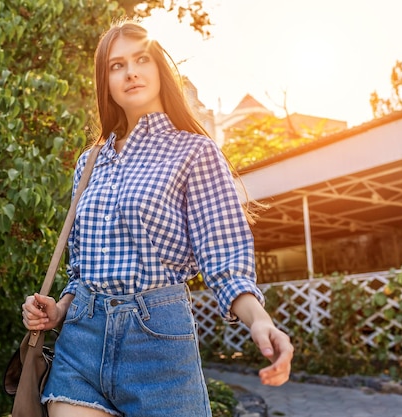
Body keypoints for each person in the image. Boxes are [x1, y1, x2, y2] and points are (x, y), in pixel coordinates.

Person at [21, 20, 294, 417]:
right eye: (117, 65)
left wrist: (259, 321)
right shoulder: (90, 162)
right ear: (106, 82)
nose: (130, 71)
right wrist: (58, 310)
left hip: (158, 343)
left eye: (141, 59)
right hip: (82, 343)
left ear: (158, 68)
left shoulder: (195, 153)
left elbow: (224, 258)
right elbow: (79, 268)